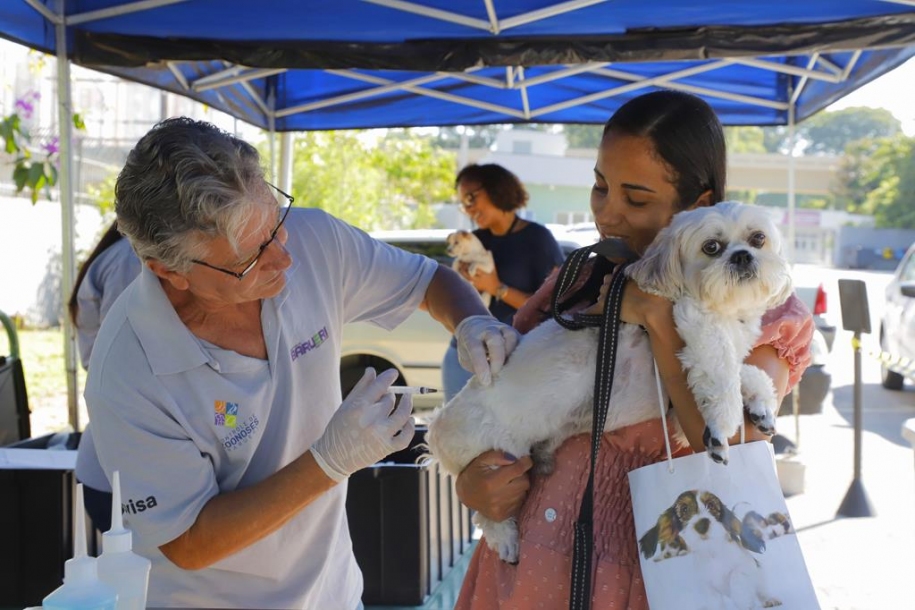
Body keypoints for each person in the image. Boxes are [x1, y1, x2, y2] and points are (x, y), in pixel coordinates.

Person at [81, 117, 520, 609]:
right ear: (168, 270)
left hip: (333, 593)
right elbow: (189, 543)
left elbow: (428, 281)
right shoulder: (127, 370)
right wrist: (328, 462)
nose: (284, 259)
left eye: (276, 224)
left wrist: (472, 323)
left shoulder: (314, 241)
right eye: (250, 259)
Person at [453, 90, 815, 609]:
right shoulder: (578, 281)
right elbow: (504, 401)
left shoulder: (758, 305)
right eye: (600, 186)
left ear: (699, 205)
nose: (608, 213)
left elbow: (736, 448)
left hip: (650, 581)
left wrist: (656, 319)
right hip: (524, 567)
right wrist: (473, 485)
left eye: (636, 199)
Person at [442, 163, 564, 400]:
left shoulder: (537, 239)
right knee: (455, 424)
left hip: (515, 361)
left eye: (470, 198)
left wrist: (497, 288)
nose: (468, 209)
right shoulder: (474, 241)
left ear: (497, 189)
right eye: (463, 204)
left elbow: (554, 308)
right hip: (462, 355)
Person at [68, 220, 142, 532]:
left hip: (121, 460)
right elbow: (125, 355)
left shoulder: (126, 256)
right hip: (122, 468)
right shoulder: (130, 260)